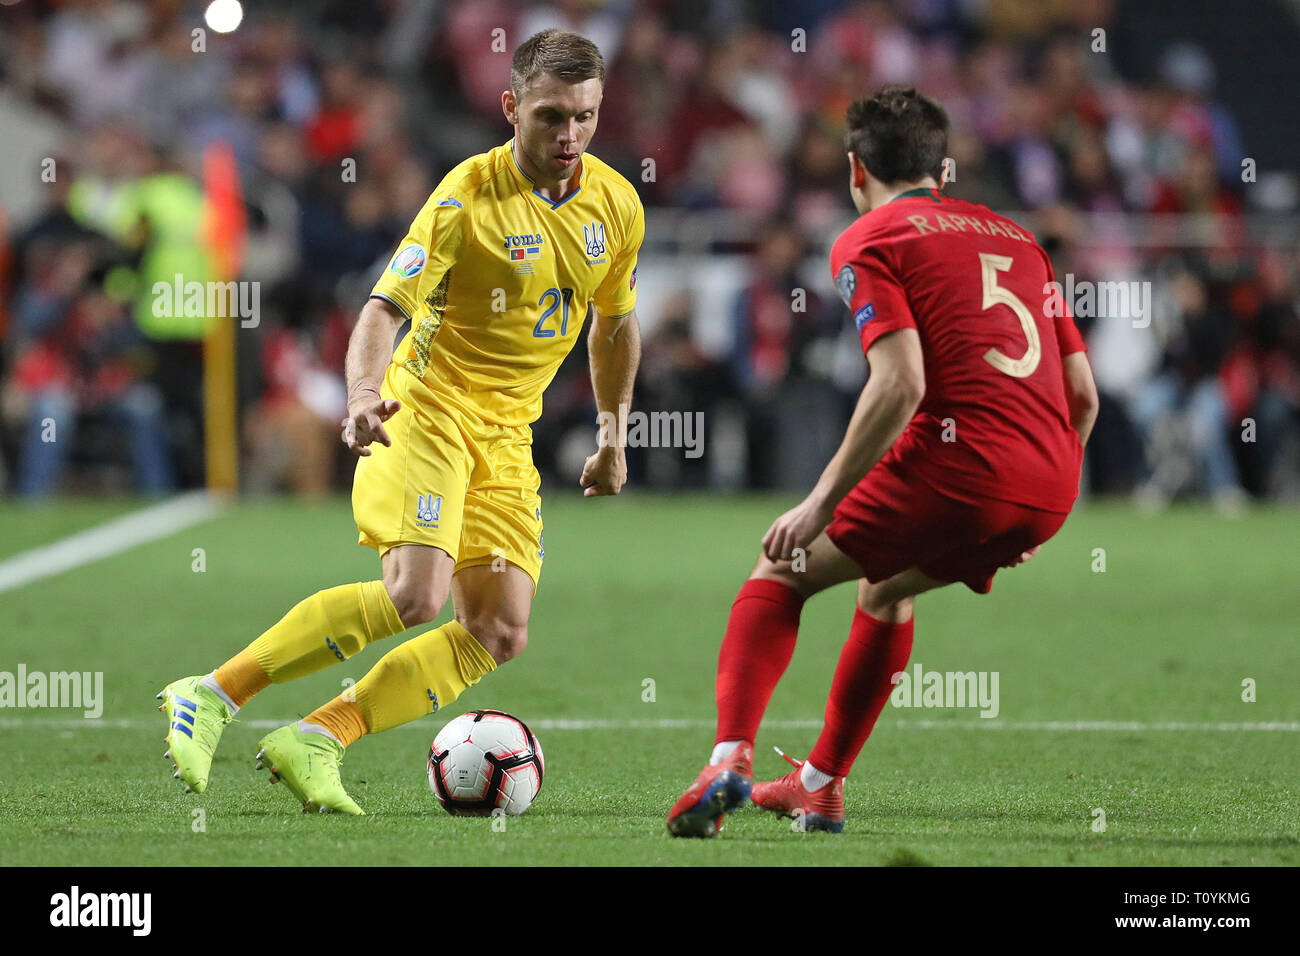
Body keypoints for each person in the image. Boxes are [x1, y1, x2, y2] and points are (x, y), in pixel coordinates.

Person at [158, 29, 644, 813]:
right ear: (511, 106)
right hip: (427, 409)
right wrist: (360, 394)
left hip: (506, 433)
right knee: (417, 595)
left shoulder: (617, 203)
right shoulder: (464, 198)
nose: (570, 136)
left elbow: (615, 325)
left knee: (498, 630)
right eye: (552, 116)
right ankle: (213, 692)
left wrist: (614, 436)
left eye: (585, 117)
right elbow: (385, 306)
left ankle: (317, 737)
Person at [667, 85, 1099, 837]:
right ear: (946, 167)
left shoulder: (871, 238)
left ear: (854, 171)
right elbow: (1084, 398)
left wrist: (818, 504)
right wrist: (1029, 501)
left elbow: (901, 383)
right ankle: (818, 787)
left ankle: (729, 758)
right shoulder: (1018, 238)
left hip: (959, 467)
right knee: (884, 588)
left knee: (780, 571)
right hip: (1052, 480)